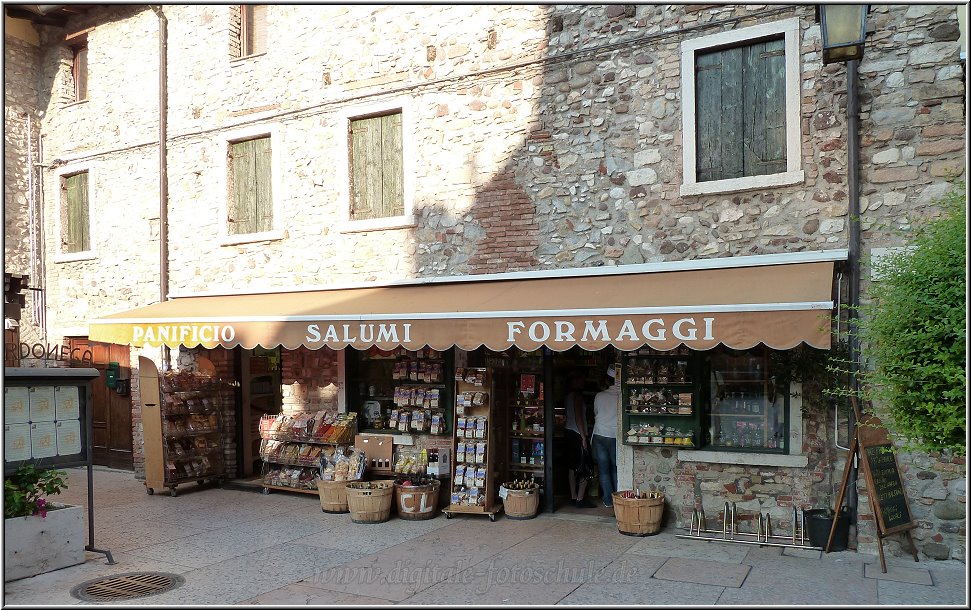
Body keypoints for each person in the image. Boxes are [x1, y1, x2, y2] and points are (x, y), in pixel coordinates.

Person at [564, 371, 594, 508]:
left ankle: (573, 495)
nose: (583, 382)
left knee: (572, 466)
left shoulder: (568, 396)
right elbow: (579, 417)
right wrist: (583, 437)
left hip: (569, 431)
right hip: (577, 433)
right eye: (581, 380)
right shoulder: (577, 396)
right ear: (575, 381)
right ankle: (580, 498)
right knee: (585, 465)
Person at [592, 365, 620, 508]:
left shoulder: (599, 396)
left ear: (608, 381)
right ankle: (618, 498)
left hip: (600, 434)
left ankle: (608, 500)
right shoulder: (621, 397)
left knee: (603, 468)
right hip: (615, 435)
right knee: (616, 468)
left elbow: (595, 412)